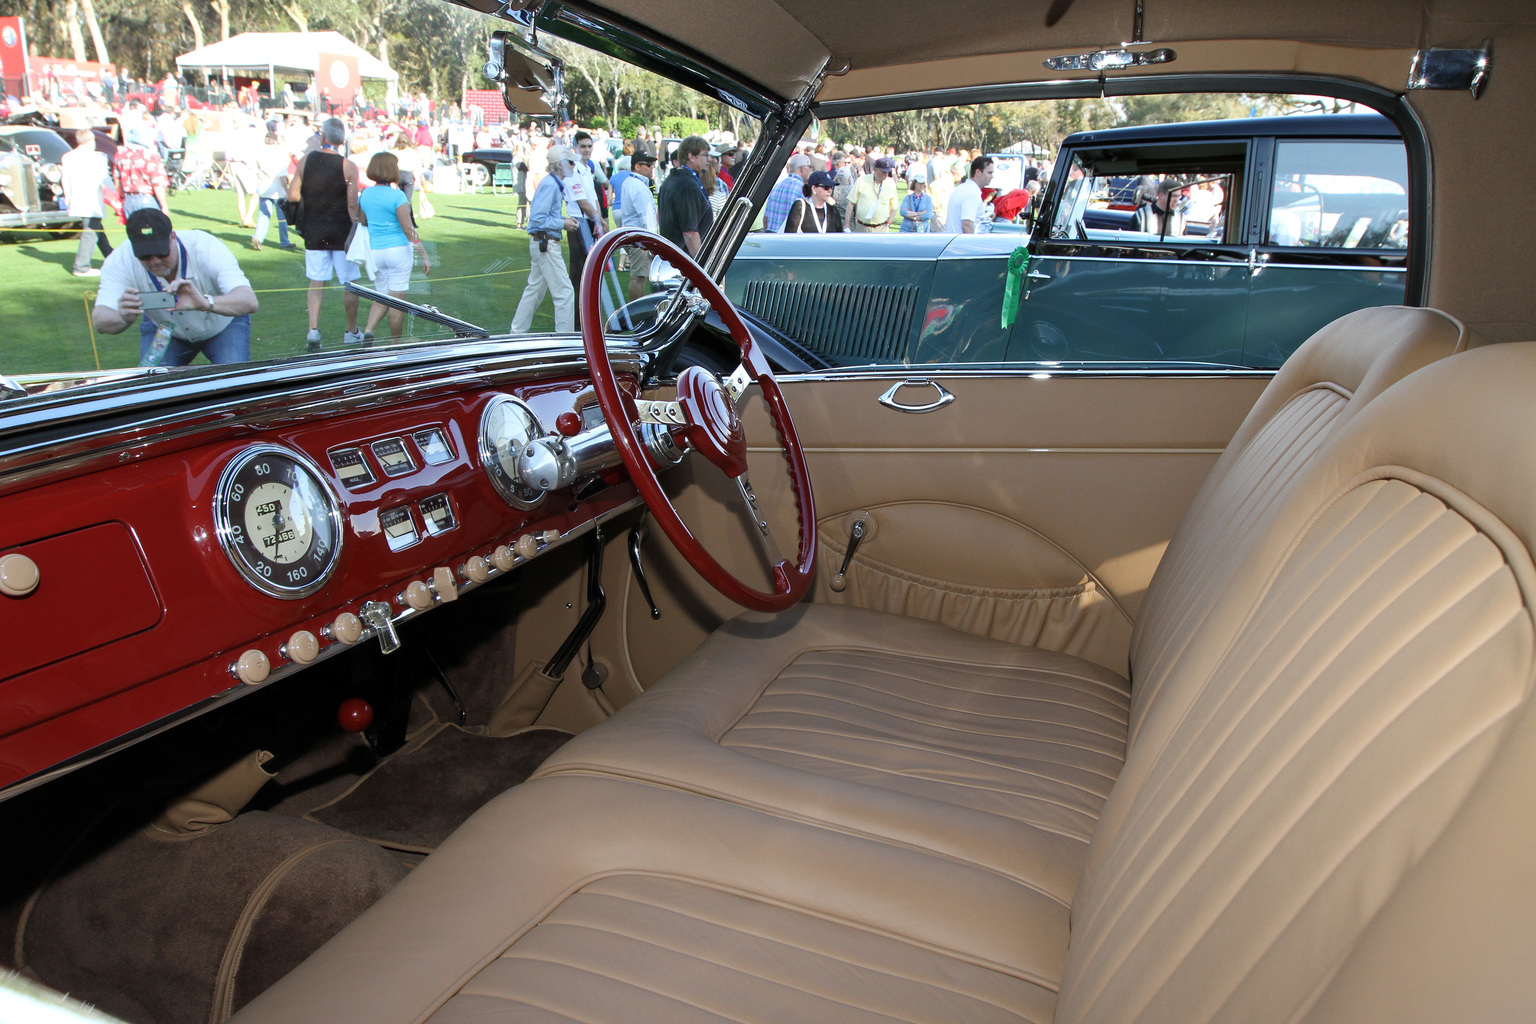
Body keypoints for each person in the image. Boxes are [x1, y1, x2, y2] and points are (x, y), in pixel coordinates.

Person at [92, 208, 259, 366]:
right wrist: (122, 317)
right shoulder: (119, 261)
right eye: (145, 255)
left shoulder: (206, 247)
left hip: (223, 324)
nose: (155, 261)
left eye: (161, 252)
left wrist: (204, 303)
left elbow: (249, 300)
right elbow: (100, 320)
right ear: (133, 246)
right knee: (152, 388)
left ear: (173, 237)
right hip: (163, 327)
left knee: (232, 384)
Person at [288, 117, 363, 351]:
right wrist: (357, 231)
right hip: (341, 231)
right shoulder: (348, 166)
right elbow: (352, 205)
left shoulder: (305, 161)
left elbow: (292, 196)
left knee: (316, 281)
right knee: (350, 283)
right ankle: (351, 331)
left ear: (323, 136)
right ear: (342, 140)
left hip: (314, 230)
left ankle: (313, 329)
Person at [357, 152, 432, 342]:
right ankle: (396, 344)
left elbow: (362, 220)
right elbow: (408, 228)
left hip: (375, 252)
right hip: (398, 250)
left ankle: (369, 330)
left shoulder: (365, 194)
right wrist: (423, 253)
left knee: (382, 295)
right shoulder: (397, 195)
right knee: (396, 302)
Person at [510, 145, 580, 334]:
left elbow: (540, 218)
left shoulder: (551, 183)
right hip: (546, 243)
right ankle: (565, 340)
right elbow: (538, 219)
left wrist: (563, 221)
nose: (574, 166)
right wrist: (563, 223)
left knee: (533, 292)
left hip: (542, 243)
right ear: (560, 166)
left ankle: (516, 333)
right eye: (571, 163)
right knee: (564, 293)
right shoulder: (551, 185)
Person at [565, 131, 607, 328]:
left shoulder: (587, 168)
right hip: (579, 223)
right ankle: (578, 324)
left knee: (592, 271)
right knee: (580, 274)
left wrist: (599, 219)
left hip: (590, 221)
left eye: (589, 146)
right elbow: (583, 203)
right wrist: (597, 218)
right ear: (575, 147)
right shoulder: (573, 171)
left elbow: (594, 197)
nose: (587, 150)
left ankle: (589, 319)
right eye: (583, 146)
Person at [60, 129, 114, 277]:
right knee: (90, 231)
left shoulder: (68, 157)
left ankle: (112, 257)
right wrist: (115, 196)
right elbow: (105, 180)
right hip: (91, 199)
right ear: (91, 140)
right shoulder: (98, 158)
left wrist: (68, 198)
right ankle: (81, 266)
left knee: (96, 228)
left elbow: (65, 181)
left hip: (79, 198)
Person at [658, 135, 712, 256]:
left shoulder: (671, 179)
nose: (709, 159)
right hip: (685, 260)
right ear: (691, 156)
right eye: (705, 155)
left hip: (673, 256)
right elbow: (690, 232)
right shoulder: (687, 186)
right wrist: (702, 265)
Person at [619, 151, 659, 300]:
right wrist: (653, 241)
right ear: (637, 166)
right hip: (640, 238)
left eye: (652, 165)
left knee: (640, 275)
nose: (651, 168)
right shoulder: (638, 186)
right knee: (639, 276)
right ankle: (636, 312)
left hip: (633, 235)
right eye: (648, 165)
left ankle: (636, 310)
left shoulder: (630, 182)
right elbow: (646, 216)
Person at [251, 130, 296, 250]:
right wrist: (287, 191)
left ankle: (258, 236)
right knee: (282, 218)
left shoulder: (259, 153)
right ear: (275, 141)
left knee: (263, 215)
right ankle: (284, 242)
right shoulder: (278, 154)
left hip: (263, 188)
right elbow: (282, 175)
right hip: (277, 189)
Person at [114, 122, 170, 216]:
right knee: (156, 229)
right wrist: (164, 205)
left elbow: (117, 180)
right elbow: (158, 183)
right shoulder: (150, 156)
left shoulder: (120, 154)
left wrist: (121, 198)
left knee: (133, 230)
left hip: (128, 200)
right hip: (147, 199)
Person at [763, 153, 813, 232]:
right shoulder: (802, 189)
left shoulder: (777, 186)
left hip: (770, 235)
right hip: (787, 238)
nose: (811, 170)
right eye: (810, 167)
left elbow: (765, 219)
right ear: (802, 168)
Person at [945, 155, 994, 233]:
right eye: (989, 173)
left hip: (954, 241)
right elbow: (967, 225)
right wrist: (972, 244)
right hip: (963, 243)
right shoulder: (972, 193)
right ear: (978, 172)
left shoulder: (960, 189)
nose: (992, 177)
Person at [849, 155, 898, 232]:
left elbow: (894, 207)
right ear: (875, 170)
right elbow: (851, 203)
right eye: (883, 172)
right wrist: (846, 224)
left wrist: (888, 223)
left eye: (887, 172)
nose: (885, 175)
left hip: (881, 228)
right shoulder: (862, 180)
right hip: (862, 227)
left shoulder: (891, 183)